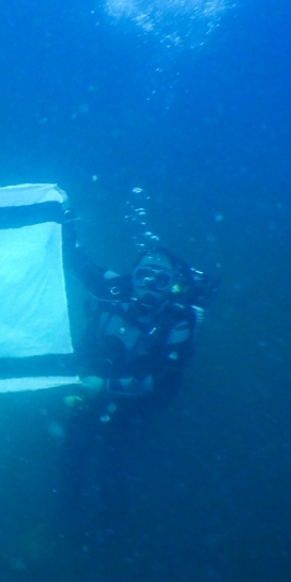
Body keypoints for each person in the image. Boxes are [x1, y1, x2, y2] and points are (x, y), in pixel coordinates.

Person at [58, 213, 219, 539]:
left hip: (134, 404)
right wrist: (64, 222)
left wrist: (103, 386)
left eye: (161, 281)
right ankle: (65, 526)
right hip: (94, 384)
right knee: (73, 455)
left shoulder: (179, 321)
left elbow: (156, 382)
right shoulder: (115, 287)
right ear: (133, 276)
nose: (149, 286)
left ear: (172, 286)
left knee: (112, 468)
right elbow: (78, 262)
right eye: (144, 275)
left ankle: (110, 535)